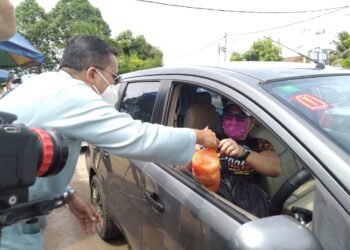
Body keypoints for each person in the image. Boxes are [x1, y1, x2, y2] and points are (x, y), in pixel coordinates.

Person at [0, 35, 219, 250]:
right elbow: (137, 136)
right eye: (113, 77)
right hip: (9, 221)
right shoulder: (72, 94)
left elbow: (33, 160)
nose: (113, 85)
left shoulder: (45, 83)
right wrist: (198, 136)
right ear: (92, 73)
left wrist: (67, 195)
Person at [217, 101, 281, 217]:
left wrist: (244, 152)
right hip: (219, 200)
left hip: (250, 200)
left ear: (252, 122)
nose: (234, 121)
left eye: (241, 117)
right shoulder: (213, 137)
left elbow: (275, 168)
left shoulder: (261, 144)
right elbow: (185, 168)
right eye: (229, 116)